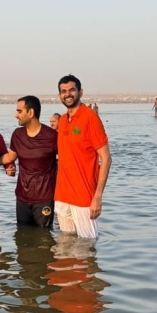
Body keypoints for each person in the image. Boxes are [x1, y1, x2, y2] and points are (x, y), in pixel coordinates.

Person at [54, 75, 112, 239]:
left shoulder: (90, 117)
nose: (68, 94)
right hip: (62, 195)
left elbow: (106, 158)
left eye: (72, 90)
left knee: (86, 249)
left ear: (80, 92)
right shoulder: (63, 120)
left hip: (84, 196)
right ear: (60, 96)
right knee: (65, 248)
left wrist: (98, 197)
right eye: (63, 91)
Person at [1, 95, 58, 227]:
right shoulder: (17, 134)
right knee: (21, 238)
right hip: (22, 197)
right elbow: (10, 157)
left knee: (43, 239)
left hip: (44, 198)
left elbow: (65, 162)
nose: (16, 115)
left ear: (31, 112)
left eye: (19, 111)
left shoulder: (52, 136)